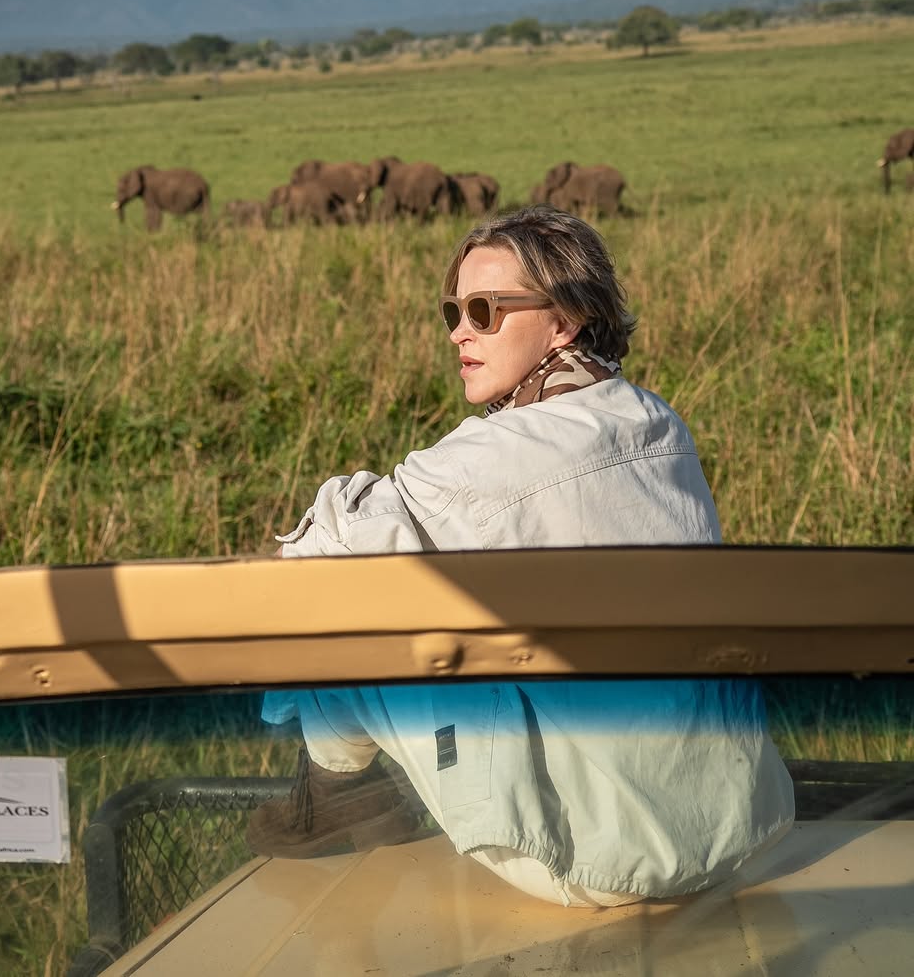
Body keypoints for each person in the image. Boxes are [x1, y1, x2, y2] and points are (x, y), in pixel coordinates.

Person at [248, 206, 794, 905]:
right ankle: (344, 796)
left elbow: (311, 563)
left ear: (562, 321)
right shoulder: (659, 420)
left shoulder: (484, 460)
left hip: (589, 862)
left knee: (343, 608)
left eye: (484, 310)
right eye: (454, 309)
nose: (458, 331)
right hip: (730, 831)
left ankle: (333, 794)